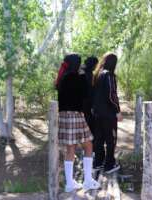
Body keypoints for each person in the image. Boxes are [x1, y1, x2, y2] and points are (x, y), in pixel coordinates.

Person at [57, 54, 100, 192]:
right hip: (75, 115)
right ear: (76, 64)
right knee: (88, 146)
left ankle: (70, 183)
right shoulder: (77, 78)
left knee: (70, 149)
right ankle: (87, 180)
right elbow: (86, 95)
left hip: (64, 115)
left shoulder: (62, 78)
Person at [92, 52, 123, 174]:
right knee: (111, 139)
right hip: (108, 114)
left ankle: (98, 162)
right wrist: (118, 111)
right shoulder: (109, 75)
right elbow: (112, 95)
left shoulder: (97, 74)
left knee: (99, 138)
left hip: (97, 113)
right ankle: (109, 164)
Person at [80, 56, 99, 134]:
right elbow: (90, 91)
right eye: (96, 64)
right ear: (93, 64)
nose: (96, 66)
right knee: (89, 123)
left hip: (82, 103)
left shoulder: (83, 72)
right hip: (87, 104)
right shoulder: (88, 74)